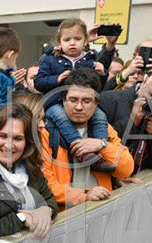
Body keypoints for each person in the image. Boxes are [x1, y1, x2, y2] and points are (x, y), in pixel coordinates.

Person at [42, 69, 134, 210]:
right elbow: (45, 184)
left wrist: (102, 145)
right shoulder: (46, 132)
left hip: (102, 210)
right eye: (73, 100)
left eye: (86, 101)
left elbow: (126, 169)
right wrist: (85, 195)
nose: (79, 107)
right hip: (66, 216)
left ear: (96, 103)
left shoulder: (105, 130)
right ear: (64, 100)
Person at [34, 19, 112, 171]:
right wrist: (57, 79)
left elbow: (97, 86)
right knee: (61, 117)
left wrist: (103, 74)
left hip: (82, 103)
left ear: (85, 41)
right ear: (59, 42)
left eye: (77, 39)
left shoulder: (90, 59)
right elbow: (38, 82)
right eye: (67, 39)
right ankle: (82, 151)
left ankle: (100, 149)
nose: (72, 43)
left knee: (100, 116)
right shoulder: (50, 59)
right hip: (55, 103)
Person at [0, 102, 57, 237]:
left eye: (18, 138)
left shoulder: (30, 167)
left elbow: (48, 199)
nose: (9, 145)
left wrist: (46, 210)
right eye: (3, 136)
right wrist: (21, 218)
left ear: (28, 142)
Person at [99, 69, 152, 174]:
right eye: (149, 94)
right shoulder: (109, 100)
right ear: (144, 82)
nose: (150, 101)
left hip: (139, 179)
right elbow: (101, 146)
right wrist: (131, 122)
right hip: (110, 176)